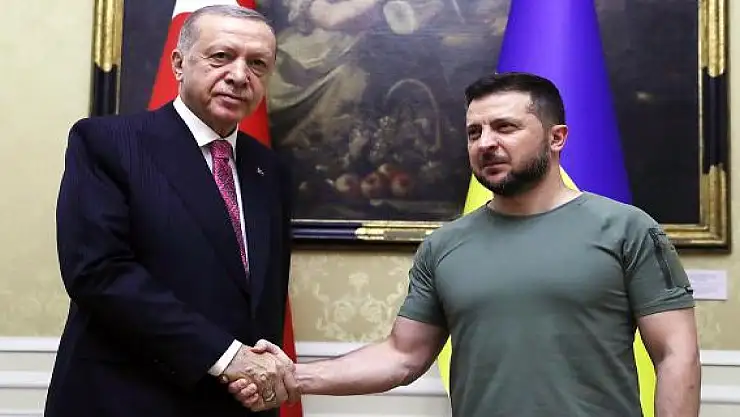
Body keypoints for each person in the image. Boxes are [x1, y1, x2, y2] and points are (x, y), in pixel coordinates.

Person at [229, 72, 702, 417]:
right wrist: (295, 376)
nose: (485, 143)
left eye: (505, 127)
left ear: (556, 138)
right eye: (475, 131)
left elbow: (675, 353)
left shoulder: (628, 230)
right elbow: (402, 356)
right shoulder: (443, 246)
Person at [46, 5, 298, 417]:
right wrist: (225, 356)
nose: (239, 75)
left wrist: (260, 380)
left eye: (257, 64)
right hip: (124, 401)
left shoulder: (269, 170)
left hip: (234, 405)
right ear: (179, 64)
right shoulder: (107, 143)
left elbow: (261, 300)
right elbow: (98, 273)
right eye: (221, 56)